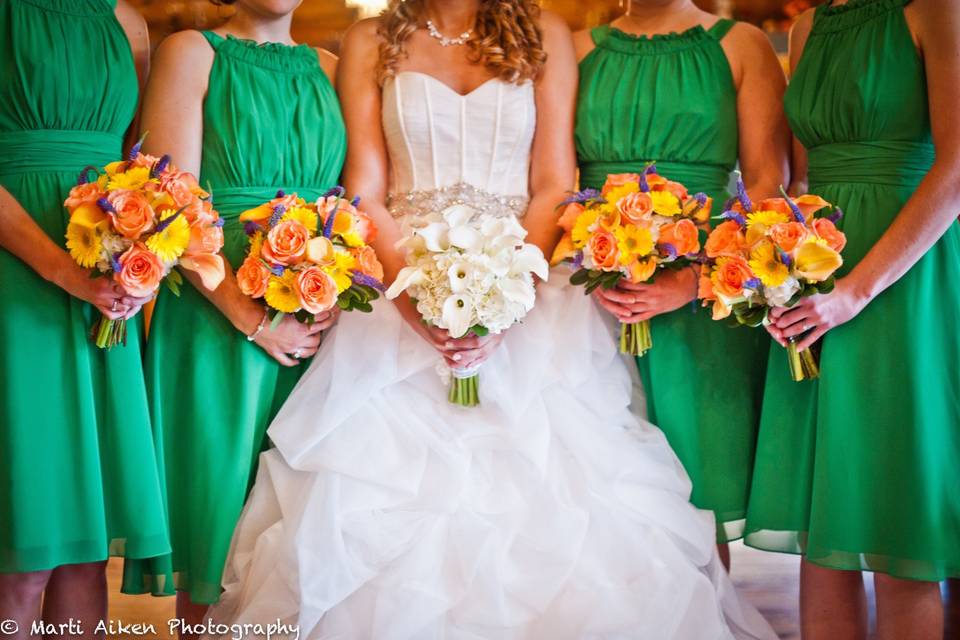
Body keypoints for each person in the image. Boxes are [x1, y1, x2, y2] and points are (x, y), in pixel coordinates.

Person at [204, 1, 777, 638]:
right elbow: (364, 187)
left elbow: (554, 181)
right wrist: (411, 297)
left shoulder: (545, 33)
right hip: (399, 289)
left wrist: (508, 300)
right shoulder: (370, 38)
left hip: (528, 288)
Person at [745, 0, 960, 638]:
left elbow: (955, 170)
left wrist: (856, 292)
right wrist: (776, 270)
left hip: (903, 274)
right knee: (823, 531)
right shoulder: (810, 25)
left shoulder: (937, 10)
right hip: (815, 272)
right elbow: (803, 175)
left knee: (899, 530)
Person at [126, 0, 344, 628]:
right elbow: (175, 207)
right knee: (216, 534)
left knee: (300, 538)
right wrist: (253, 319)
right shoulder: (191, 51)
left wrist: (331, 298)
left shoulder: (331, 68)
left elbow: (350, 201)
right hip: (215, 321)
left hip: (315, 322)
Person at [573, 0, 789, 567]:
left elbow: (769, 184)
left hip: (703, 297)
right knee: (596, 487)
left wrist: (697, 280)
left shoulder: (742, 45)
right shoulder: (577, 49)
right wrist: (592, 262)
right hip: (595, 296)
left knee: (695, 490)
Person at [0, 0, 169, 634]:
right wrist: (63, 271)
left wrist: (140, 258)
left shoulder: (127, 22)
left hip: (102, 289)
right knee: (21, 555)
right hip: (17, 284)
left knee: (86, 553)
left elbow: (136, 167)